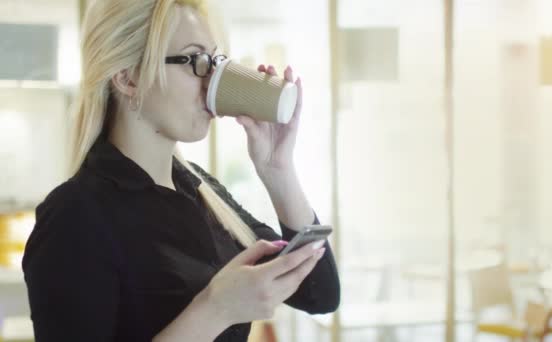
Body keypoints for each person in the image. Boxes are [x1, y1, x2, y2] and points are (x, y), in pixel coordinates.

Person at [21, 0, 340, 341]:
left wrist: (277, 168)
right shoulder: (76, 215)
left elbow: (319, 293)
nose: (215, 82)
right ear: (128, 77)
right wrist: (216, 309)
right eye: (197, 61)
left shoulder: (201, 190)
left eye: (216, 61)